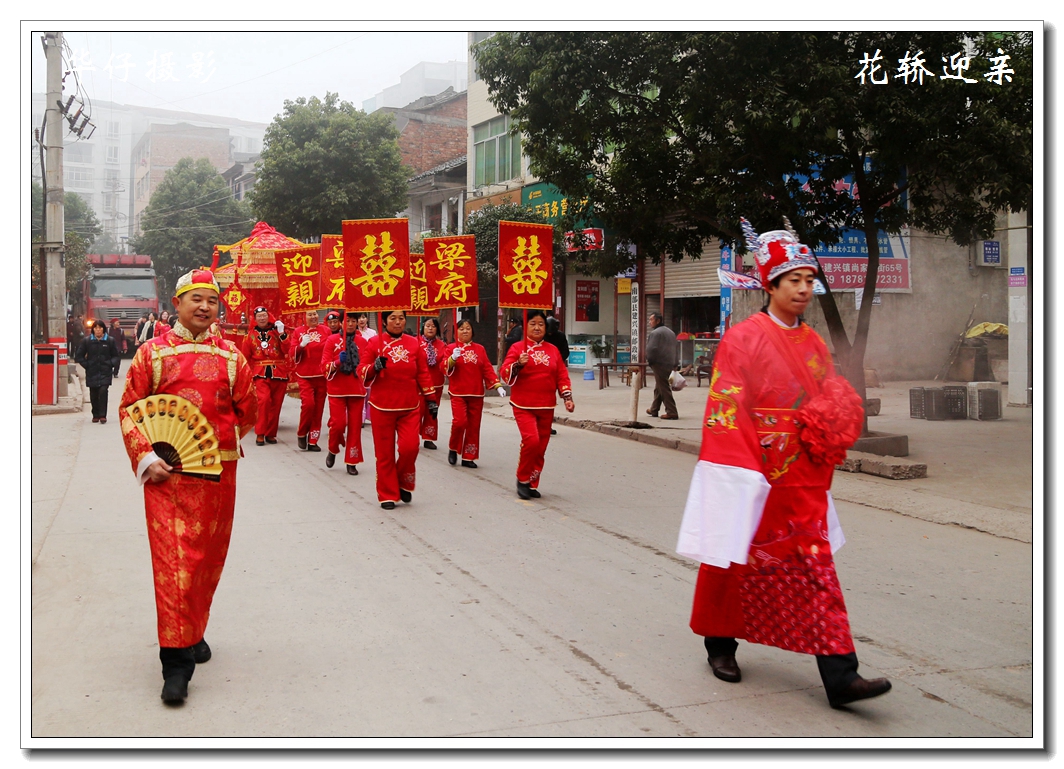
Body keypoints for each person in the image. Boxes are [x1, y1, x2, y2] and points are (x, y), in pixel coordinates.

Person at [676, 219, 888, 710]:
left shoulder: (813, 344)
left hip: (802, 477)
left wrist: (836, 421)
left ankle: (841, 676)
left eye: (810, 280)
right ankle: (720, 643)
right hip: (751, 469)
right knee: (732, 556)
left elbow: (829, 394)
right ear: (770, 284)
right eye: (793, 280)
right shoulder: (743, 339)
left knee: (815, 568)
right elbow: (726, 406)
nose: (803, 289)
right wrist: (742, 470)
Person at [117, 268, 257, 704]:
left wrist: (218, 446)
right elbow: (128, 410)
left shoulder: (233, 358)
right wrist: (146, 456)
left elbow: (247, 412)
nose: (203, 307)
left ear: (219, 307)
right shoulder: (152, 355)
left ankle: (194, 631)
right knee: (175, 565)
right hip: (167, 476)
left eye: (211, 300)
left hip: (218, 475)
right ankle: (176, 663)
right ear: (176, 304)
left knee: (208, 561)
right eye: (195, 298)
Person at [357, 310, 435, 509]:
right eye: (393, 318)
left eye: (401, 318)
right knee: (385, 454)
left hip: (409, 406)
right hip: (382, 406)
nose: (398, 322)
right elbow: (362, 370)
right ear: (384, 321)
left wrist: (431, 399)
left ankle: (403, 482)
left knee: (410, 448)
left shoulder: (414, 343)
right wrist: (374, 367)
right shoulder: (375, 343)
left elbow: (423, 373)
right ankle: (388, 494)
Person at [500, 310, 574, 500]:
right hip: (523, 404)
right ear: (526, 326)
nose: (537, 327)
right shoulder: (517, 348)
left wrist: (567, 396)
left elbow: (561, 375)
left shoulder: (553, 350)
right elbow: (505, 372)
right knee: (531, 441)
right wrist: (518, 364)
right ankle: (522, 479)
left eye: (541, 324)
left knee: (541, 447)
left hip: (546, 405)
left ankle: (532, 482)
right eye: (533, 323)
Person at [443, 319, 506, 468]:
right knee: (460, 422)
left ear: (472, 331)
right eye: (461, 328)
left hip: (476, 394)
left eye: (468, 328)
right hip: (458, 393)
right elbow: (443, 366)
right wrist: (452, 358)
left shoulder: (480, 349)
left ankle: (468, 456)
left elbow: (487, 369)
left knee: (473, 426)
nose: (465, 331)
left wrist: (498, 385)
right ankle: (453, 448)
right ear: (456, 331)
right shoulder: (451, 348)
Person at [321, 311, 368, 475]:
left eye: (353, 321)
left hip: (357, 389)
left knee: (355, 427)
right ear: (341, 323)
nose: (350, 324)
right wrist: (336, 362)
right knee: (338, 425)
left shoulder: (362, 342)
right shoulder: (331, 340)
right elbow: (324, 366)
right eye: (347, 321)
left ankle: (352, 460)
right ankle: (333, 449)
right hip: (337, 390)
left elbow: (365, 365)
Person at [240, 306, 291, 446]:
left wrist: (282, 334)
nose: (262, 318)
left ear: (268, 316)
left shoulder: (277, 332)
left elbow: (287, 349)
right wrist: (246, 376)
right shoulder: (249, 336)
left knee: (276, 404)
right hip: (260, 373)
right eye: (259, 316)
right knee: (263, 401)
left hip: (279, 372)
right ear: (255, 319)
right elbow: (244, 357)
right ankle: (260, 433)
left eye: (264, 315)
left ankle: (271, 434)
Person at [290, 309, 332, 452]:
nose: (313, 316)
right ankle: (302, 433)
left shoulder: (326, 330)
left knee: (318, 409)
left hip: (321, 375)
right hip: (305, 376)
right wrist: (301, 346)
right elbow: (292, 354)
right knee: (308, 404)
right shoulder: (298, 332)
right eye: (310, 314)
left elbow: (332, 348)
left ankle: (313, 440)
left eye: (315, 314)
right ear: (304, 316)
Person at [74, 320, 120, 423]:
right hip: (92, 371)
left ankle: (103, 415)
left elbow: (116, 356)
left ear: (104, 329)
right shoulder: (87, 341)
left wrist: (110, 364)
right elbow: (79, 356)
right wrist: (87, 365)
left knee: (103, 391)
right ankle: (95, 414)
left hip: (105, 371)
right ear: (93, 330)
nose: (98, 330)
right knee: (94, 393)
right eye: (96, 328)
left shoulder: (110, 341)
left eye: (100, 328)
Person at [418, 317, 447, 450]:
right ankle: (412, 435)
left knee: (432, 412)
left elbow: (444, 363)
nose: (430, 328)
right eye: (428, 326)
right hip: (419, 384)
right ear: (423, 328)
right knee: (417, 411)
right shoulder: (415, 343)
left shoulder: (442, 345)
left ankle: (428, 437)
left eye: (433, 326)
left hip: (436, 384)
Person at [645, 312, 679, 420]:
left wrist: (650, 361)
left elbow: (651, 349)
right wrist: (675, 363)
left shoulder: (655, 333)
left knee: (663, 387)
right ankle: (654, 409)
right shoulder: (671, 332)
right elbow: (675, 349)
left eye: (651, 320)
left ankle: (672, 411)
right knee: (659, 386)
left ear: (658, 320)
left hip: (659, 363)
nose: (650, 322)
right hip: (669, 362)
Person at [544, 316, 569, 435]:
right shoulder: (542, 336)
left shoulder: (560, 336)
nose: (549, 334)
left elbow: (566, 351)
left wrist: (557, 361)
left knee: (550, 399)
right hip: (542, 369)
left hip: (555, 370)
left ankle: (547, 425)